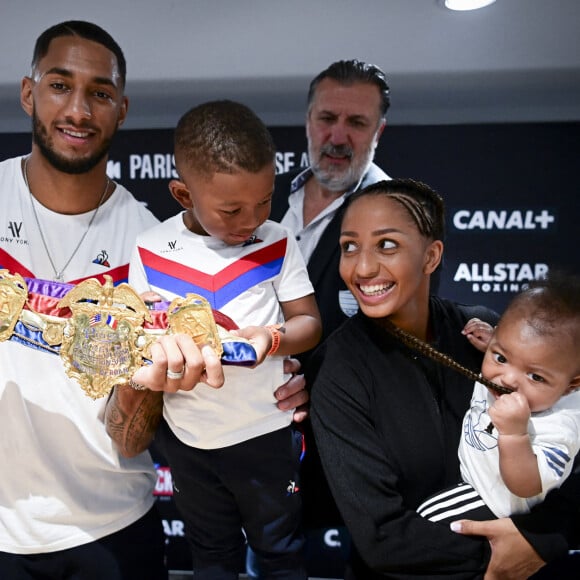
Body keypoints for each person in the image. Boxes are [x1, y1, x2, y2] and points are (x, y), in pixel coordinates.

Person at [0, 20, 307, 579]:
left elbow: (136, 428)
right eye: (59, 85)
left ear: (121, 108)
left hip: (113, 526)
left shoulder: (153, 245)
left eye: (100, 93)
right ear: (28, 93)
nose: (79, 109)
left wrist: (262, 369)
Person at [310, 178, 580, 578]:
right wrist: (498, 559)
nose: (362, 268)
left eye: (387, 245)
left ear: (431, 255)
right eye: (350, 246)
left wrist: (542, 539)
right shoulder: (336, 369)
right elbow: (381, 536)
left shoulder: (488, 336)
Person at [125, 99, 322, 579]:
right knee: (211, 556)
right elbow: (139, 338)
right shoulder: (150, 250)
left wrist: (272, 338)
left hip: (268, 436)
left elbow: (309, 324)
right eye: (231, 209)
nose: (251, 220)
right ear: (182, 194)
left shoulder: (277, 240)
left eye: (264, 200)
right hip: (189, 442)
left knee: (280, 552)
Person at [269, 59, 391, 539]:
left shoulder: (399, 214)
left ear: (379, 130)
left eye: (356, 123)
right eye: (327, 119)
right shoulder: (267, 197)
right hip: (257, 443)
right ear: (308, 122)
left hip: (350, 458)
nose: (338, 136)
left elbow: (392, 346)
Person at [417, 275, 580, 523]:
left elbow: (527, 486)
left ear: (571, 385)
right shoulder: (509, 365)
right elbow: (520, 353)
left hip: (492, 503)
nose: (508, 379)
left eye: (535, 376)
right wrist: (493, 342)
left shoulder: (560, 427)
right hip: (469, 477)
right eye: (502, 357)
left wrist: (515, 436)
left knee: (425, 521)